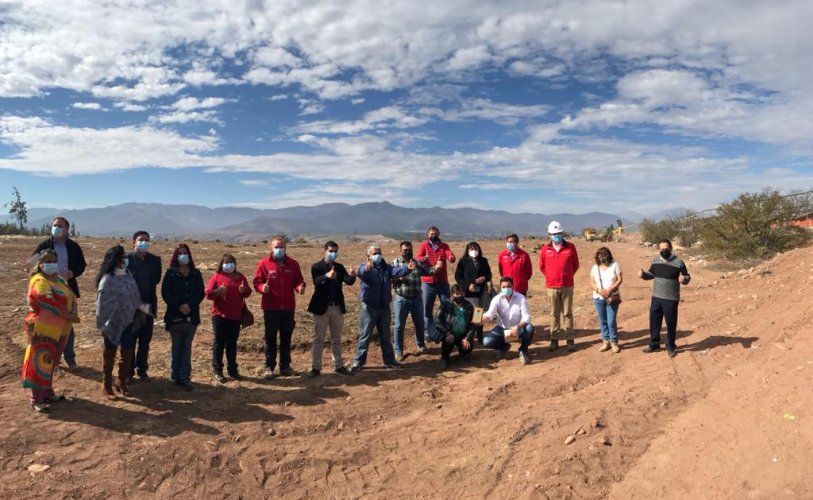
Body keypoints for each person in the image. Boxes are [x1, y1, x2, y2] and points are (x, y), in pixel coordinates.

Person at [22, 249, 79, 413]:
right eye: (48, 260)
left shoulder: (58, 279)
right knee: (39, 360)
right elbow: (46, 300)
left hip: (61, 327)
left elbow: (71, 295)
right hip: (43, 328)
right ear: (40, 264)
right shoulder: (38, 280)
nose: (52, 263)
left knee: (52, 361)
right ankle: (36, 398)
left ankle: (47, 392)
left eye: (54, 260)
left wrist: (73, 310)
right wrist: (68, 314)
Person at [31, 216, 86, 368]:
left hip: (66, 289)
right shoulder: (44, 245)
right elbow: (31, 263)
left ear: (67, 229)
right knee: (48, 324)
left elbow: (82, 265)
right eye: (54, 225)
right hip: (47, 289)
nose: (56, 228)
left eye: (60, 226)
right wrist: (39, 276)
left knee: (67, 325)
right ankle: (49, 358)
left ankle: (70, 358)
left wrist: (72, 273)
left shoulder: (74, 246)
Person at [350, 244, 414, 372]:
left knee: (385, 335)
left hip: (384, 306)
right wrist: (367, 269)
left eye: (379, 252)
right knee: (365, 334)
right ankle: (358, 362)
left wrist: (407, 268)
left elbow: (396, 271)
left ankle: (389, 361)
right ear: (368, 256)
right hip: (369, 307)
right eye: (374, 253)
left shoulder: (386, 267)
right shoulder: (366, 267)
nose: (377, 255)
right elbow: (361, 273)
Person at [95, 245, 144, 399]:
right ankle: (106, 384)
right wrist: (102, 323)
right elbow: (101, 303)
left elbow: (134, 294)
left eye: (125, 257)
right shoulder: (107, 279)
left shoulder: (128, 274)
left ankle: (121, 381)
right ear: (113, 259)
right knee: (109, 353)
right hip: (111, 323)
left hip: (128, 320)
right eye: (121, 257)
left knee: (127, 352)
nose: (124, 260)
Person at [253, 236, 305, 379]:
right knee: (270, 337)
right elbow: (257, 282)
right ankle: (269, 367)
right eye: (276, 247)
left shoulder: (293, 264)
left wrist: (300, 287)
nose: (279, 249)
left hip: (288, 307)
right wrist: (262, 288)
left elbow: (298, 280)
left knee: (286, 337)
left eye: (281, 247)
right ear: (271, 248)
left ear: (286, 248)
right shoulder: (264, 264)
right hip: (271, 307)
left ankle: (285, 367)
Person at [306, 241, 357, 378]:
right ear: (325, 251)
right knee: (318, 339)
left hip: (337, 307)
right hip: (321, 308)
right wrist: (326, 276)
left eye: (335, 251)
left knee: (336, 338)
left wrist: (353, 275)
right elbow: (316, 282)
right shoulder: (316, 267)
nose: (333, 253)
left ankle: (338, 366)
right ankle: (316, 368)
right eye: (330, 251)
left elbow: (348, 281)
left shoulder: (339, 267)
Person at [162, 244, 205, 390]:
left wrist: (190, 306)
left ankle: (184, 377)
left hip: (191, 317)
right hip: (175, 317)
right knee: (176, 347)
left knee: (186, 348)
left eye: (185, 253)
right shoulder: (170, 273)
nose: (183, 255)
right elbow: (165, 293)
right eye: (180, 253)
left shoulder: (195, 273)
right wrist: (179, 306)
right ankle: (175, 376)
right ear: (175, 255)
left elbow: (200, 293)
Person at [638, 239, 691, 357]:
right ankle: (654, 344)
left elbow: (687, 276)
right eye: (662, 249)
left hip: (671, 299)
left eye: (666, 248)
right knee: (654, 322)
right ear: (659, 250)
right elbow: (651, 274)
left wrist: (684, 279)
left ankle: (671, 347)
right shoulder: (656, 260)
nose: (664, 251)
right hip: (656, 297)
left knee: (671, 324)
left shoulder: (679, 262)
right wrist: (643, 275)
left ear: (671, 248)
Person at [206, 253, 252, 383]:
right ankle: (218, 370)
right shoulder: (216, 277)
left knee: (232, 344)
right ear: (222, 264)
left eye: (231, 262)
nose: (229, 265)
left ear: (235, 264)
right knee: (219, 343)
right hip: (220, 316)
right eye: (226, 262)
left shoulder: (240, 277)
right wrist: (218, 292)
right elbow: (208, 294)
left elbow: (248, 293)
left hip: (236, 316)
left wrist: (244, 290)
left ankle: (233, 370)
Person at [538, 221, 580, 352]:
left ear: (562, 234)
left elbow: (575, 265)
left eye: (559, 234)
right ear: (549, 235)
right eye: (554, 234)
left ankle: (570, 339)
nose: (557, 236)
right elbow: (542, 267)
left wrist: (566, 276)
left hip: (567, 286)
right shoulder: (545, 249)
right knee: (554, 314)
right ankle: (554, 340)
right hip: (552, 287)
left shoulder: (571, 247)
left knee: (567, 313)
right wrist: (551, 277)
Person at [391, 241, 436, 361]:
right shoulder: (395, 263)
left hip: (416, 298)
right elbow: (390, 279)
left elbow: (427, 271)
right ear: (400, 251)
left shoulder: (417, 262)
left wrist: (436, 267)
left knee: (419, 324)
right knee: (399, 326)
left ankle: (421, 345)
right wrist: (399, 279)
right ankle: (398, 351)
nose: (407, 252)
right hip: (401, 299)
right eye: (405, 250)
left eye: (409, 250)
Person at [126, 230, 162, 382]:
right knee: (130, 341)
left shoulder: (155, 260)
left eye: (146, 240)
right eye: (141, 239)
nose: (144, 242)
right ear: (134, 242)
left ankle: (142, 369)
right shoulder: (126, 259)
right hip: (130, 308)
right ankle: (128, 372)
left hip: (148, 307)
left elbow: (156, 280)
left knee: (145, 341)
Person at [479, 276, 535, 365]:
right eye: (503, 287)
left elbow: (527, 317)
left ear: (513, 287)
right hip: (502, 329)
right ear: (500, 288)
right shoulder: (496, 299)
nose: (506, 289)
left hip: (517, 329)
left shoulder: (521, 298)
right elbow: (489, 315)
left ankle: (523, 350)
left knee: (529, 328)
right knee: (486, 341)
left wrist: (517, 327)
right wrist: (479, 320)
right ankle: (504, 347)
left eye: (508, 286)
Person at [416, 226, 456, 329]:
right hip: (428, 283)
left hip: (442, 282)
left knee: (447, 306)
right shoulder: (423, 246)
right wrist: (424, 258)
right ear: (428, 235)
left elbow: (449, 255)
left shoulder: (444, 246)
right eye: (431, 234)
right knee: (427, 309)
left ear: (438, 235)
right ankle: (428, 332)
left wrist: (451, 257)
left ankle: (446, 330)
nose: (433, 236)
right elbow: (417, 258)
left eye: (435, 234)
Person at [454, 241, 492, 343]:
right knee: (468, 314)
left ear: (479, 250)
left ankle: (479, 336)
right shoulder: (463, 261)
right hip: (469, 293)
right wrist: (468, 285)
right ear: (467, 250)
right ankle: (467, 336)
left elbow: (489, 275)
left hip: (481, 292)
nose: (474, 251)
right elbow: (458, 276)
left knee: (478, 314)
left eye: (476, 249)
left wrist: (484, 278)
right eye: (471, 249)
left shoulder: (483, 261)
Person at [431, 285, 476, 370]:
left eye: (462, 293)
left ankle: (462, 354)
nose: (460, 296)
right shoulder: (446, 304)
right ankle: (444, 358)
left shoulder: (469, 306)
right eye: (457, 294)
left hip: (462, 335)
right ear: (452, 295)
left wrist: (467, 338)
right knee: (448, 340)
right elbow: (437, 319)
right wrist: (447, 332)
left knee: (468, 347)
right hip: (450, 333)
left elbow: (473, 324)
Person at [590, 247, 623, 353]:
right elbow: (591, 282)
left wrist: (610, 289)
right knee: (603, 321)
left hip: (612, 296)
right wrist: (598, 290)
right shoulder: (595, 267)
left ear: (609, 255)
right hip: (598, 297)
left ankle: (614, 342)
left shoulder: (615, 265)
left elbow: (619, 279)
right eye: (600, 255)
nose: (602, 257)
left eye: (604, 254)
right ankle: (606, 341)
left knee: (611, 320)